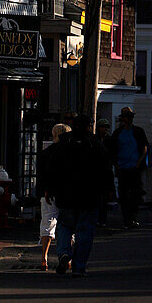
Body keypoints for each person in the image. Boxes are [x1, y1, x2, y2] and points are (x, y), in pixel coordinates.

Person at [47, 113, 113, 277]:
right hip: (90, 195)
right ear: (89, 126)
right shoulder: (95, 144)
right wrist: (108, 191)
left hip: (66, 194)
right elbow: (106, 170)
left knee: (64, 226)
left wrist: (50, 188)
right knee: (85, 231)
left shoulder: (64, 143)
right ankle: (79, 266)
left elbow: (53, 167)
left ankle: (64, 253)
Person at [36, 123, 71, 270]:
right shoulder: (70, 152)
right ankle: (67, 256)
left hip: (48, 193)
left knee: (48, 222)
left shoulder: (46, 152)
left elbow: (41, 173)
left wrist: (44, 189)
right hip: (67, 192)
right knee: (69, 224)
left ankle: (44, 256)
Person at [109, 106, 149, 228]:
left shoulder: (138, 131)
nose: (127, 119)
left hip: (134, 168)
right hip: (122, 168)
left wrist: (138, 163)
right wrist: (116, 166)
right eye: (125, 117)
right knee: (124, 195)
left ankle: (133, 217)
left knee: (135, 195)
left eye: (129, 117)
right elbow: (113, 151)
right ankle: (127, 218)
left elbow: (144, 148)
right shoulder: (117, 133)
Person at [94, 118, 115, 226]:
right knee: (97, 197)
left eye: (107, 127)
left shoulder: (110, 141)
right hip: (96, 172)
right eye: (103, 127)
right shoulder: (94, 139)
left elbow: (112, 155)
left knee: (104, 197)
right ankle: (97, 218)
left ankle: (102, 219)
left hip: (106, 171)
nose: (105, 129)